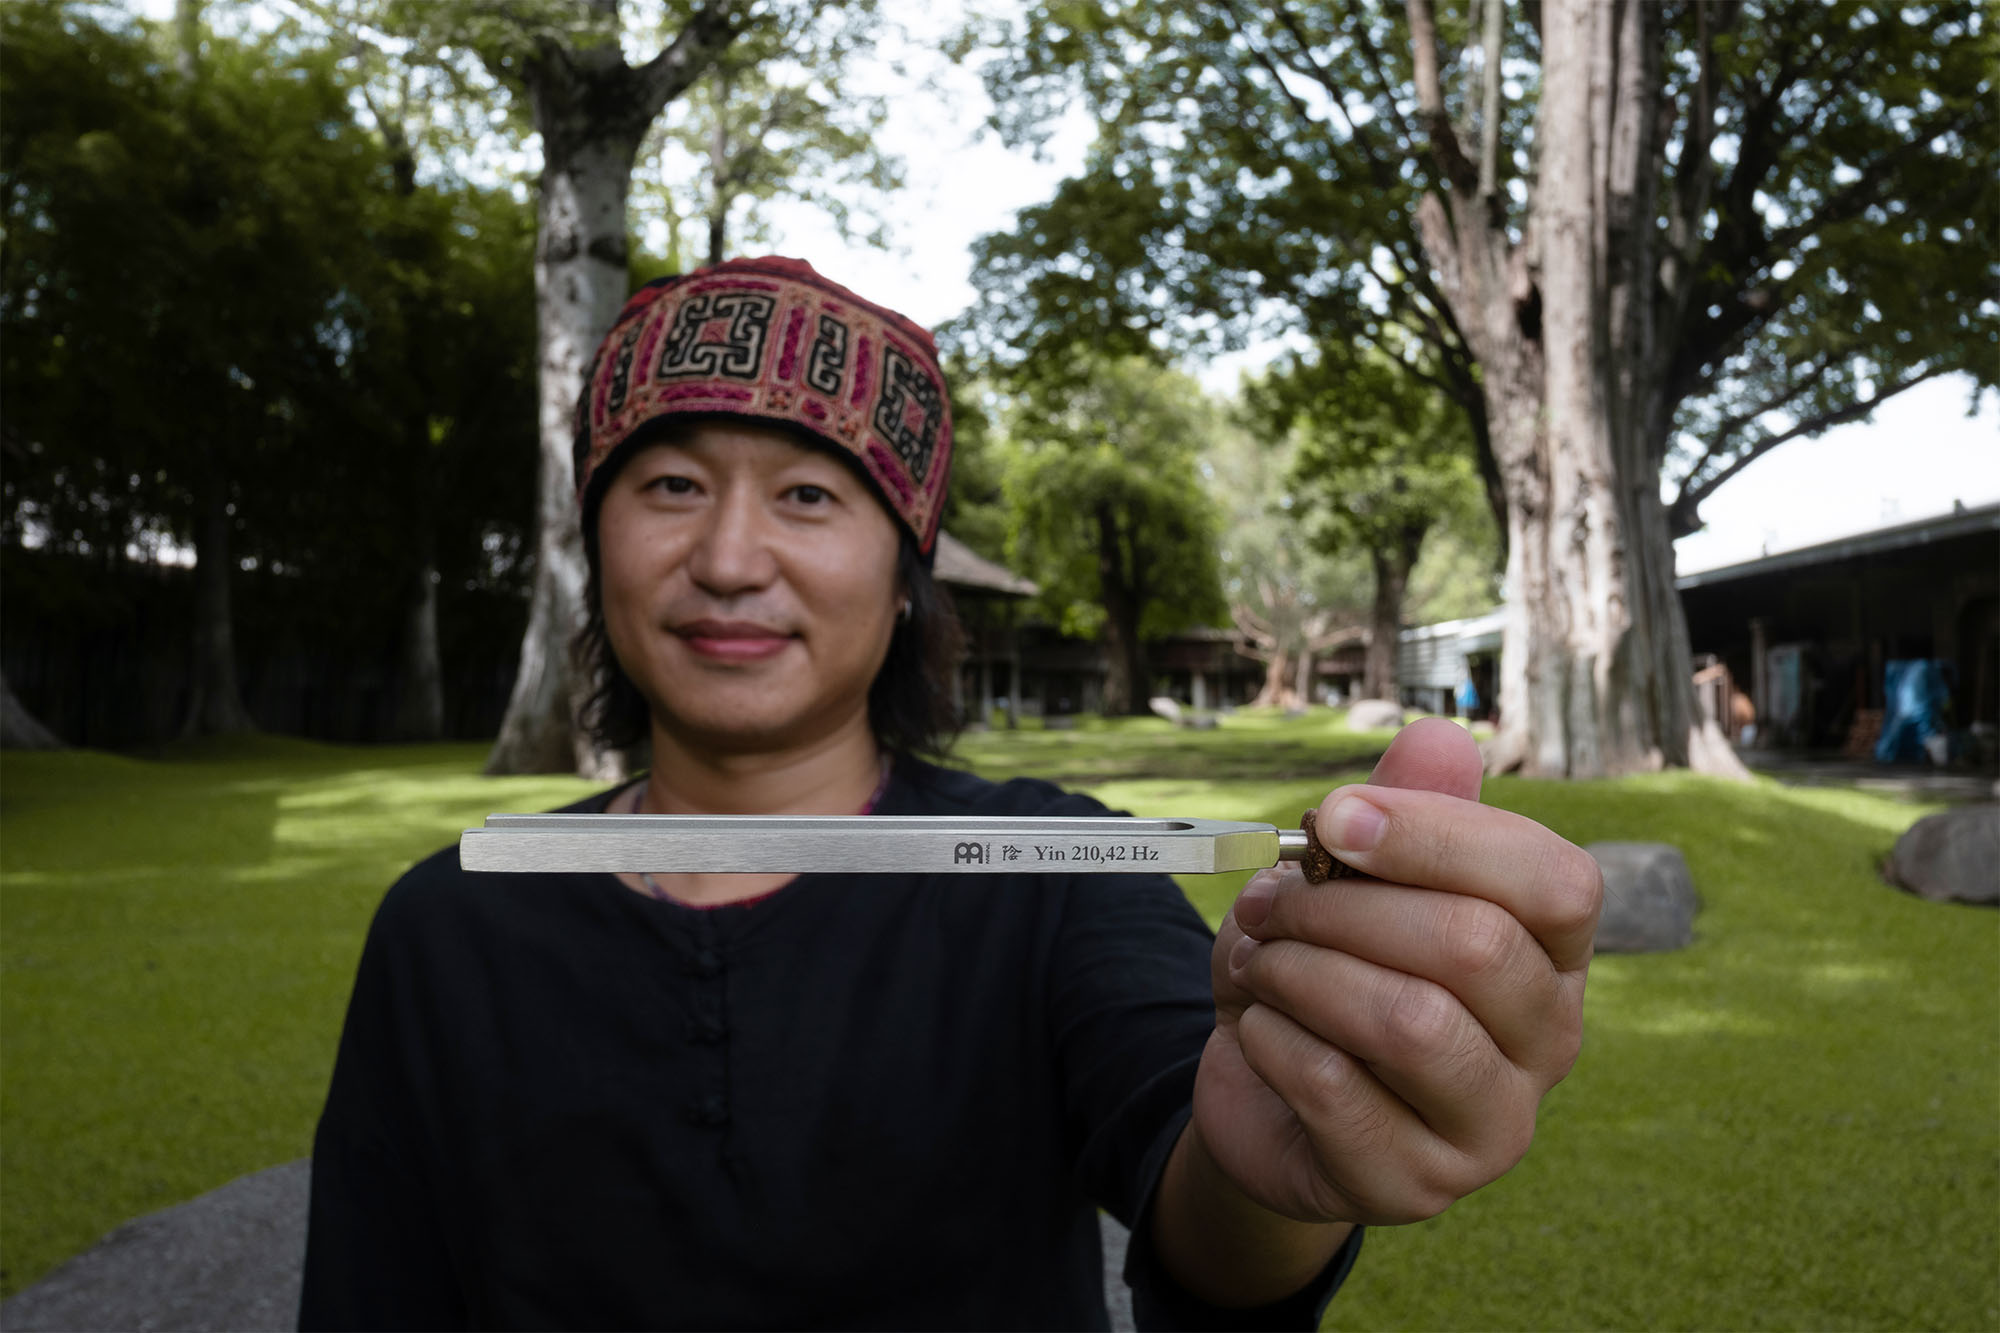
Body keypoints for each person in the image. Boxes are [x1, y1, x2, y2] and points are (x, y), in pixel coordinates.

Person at [299, 257, 1602, 1330]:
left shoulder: (1049, 871)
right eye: (672, 485)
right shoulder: (449, 921)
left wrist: (1272, 1170)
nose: (730, 557)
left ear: (906, 579)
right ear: (598, 543)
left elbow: (1198, 1155)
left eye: (809, 494)